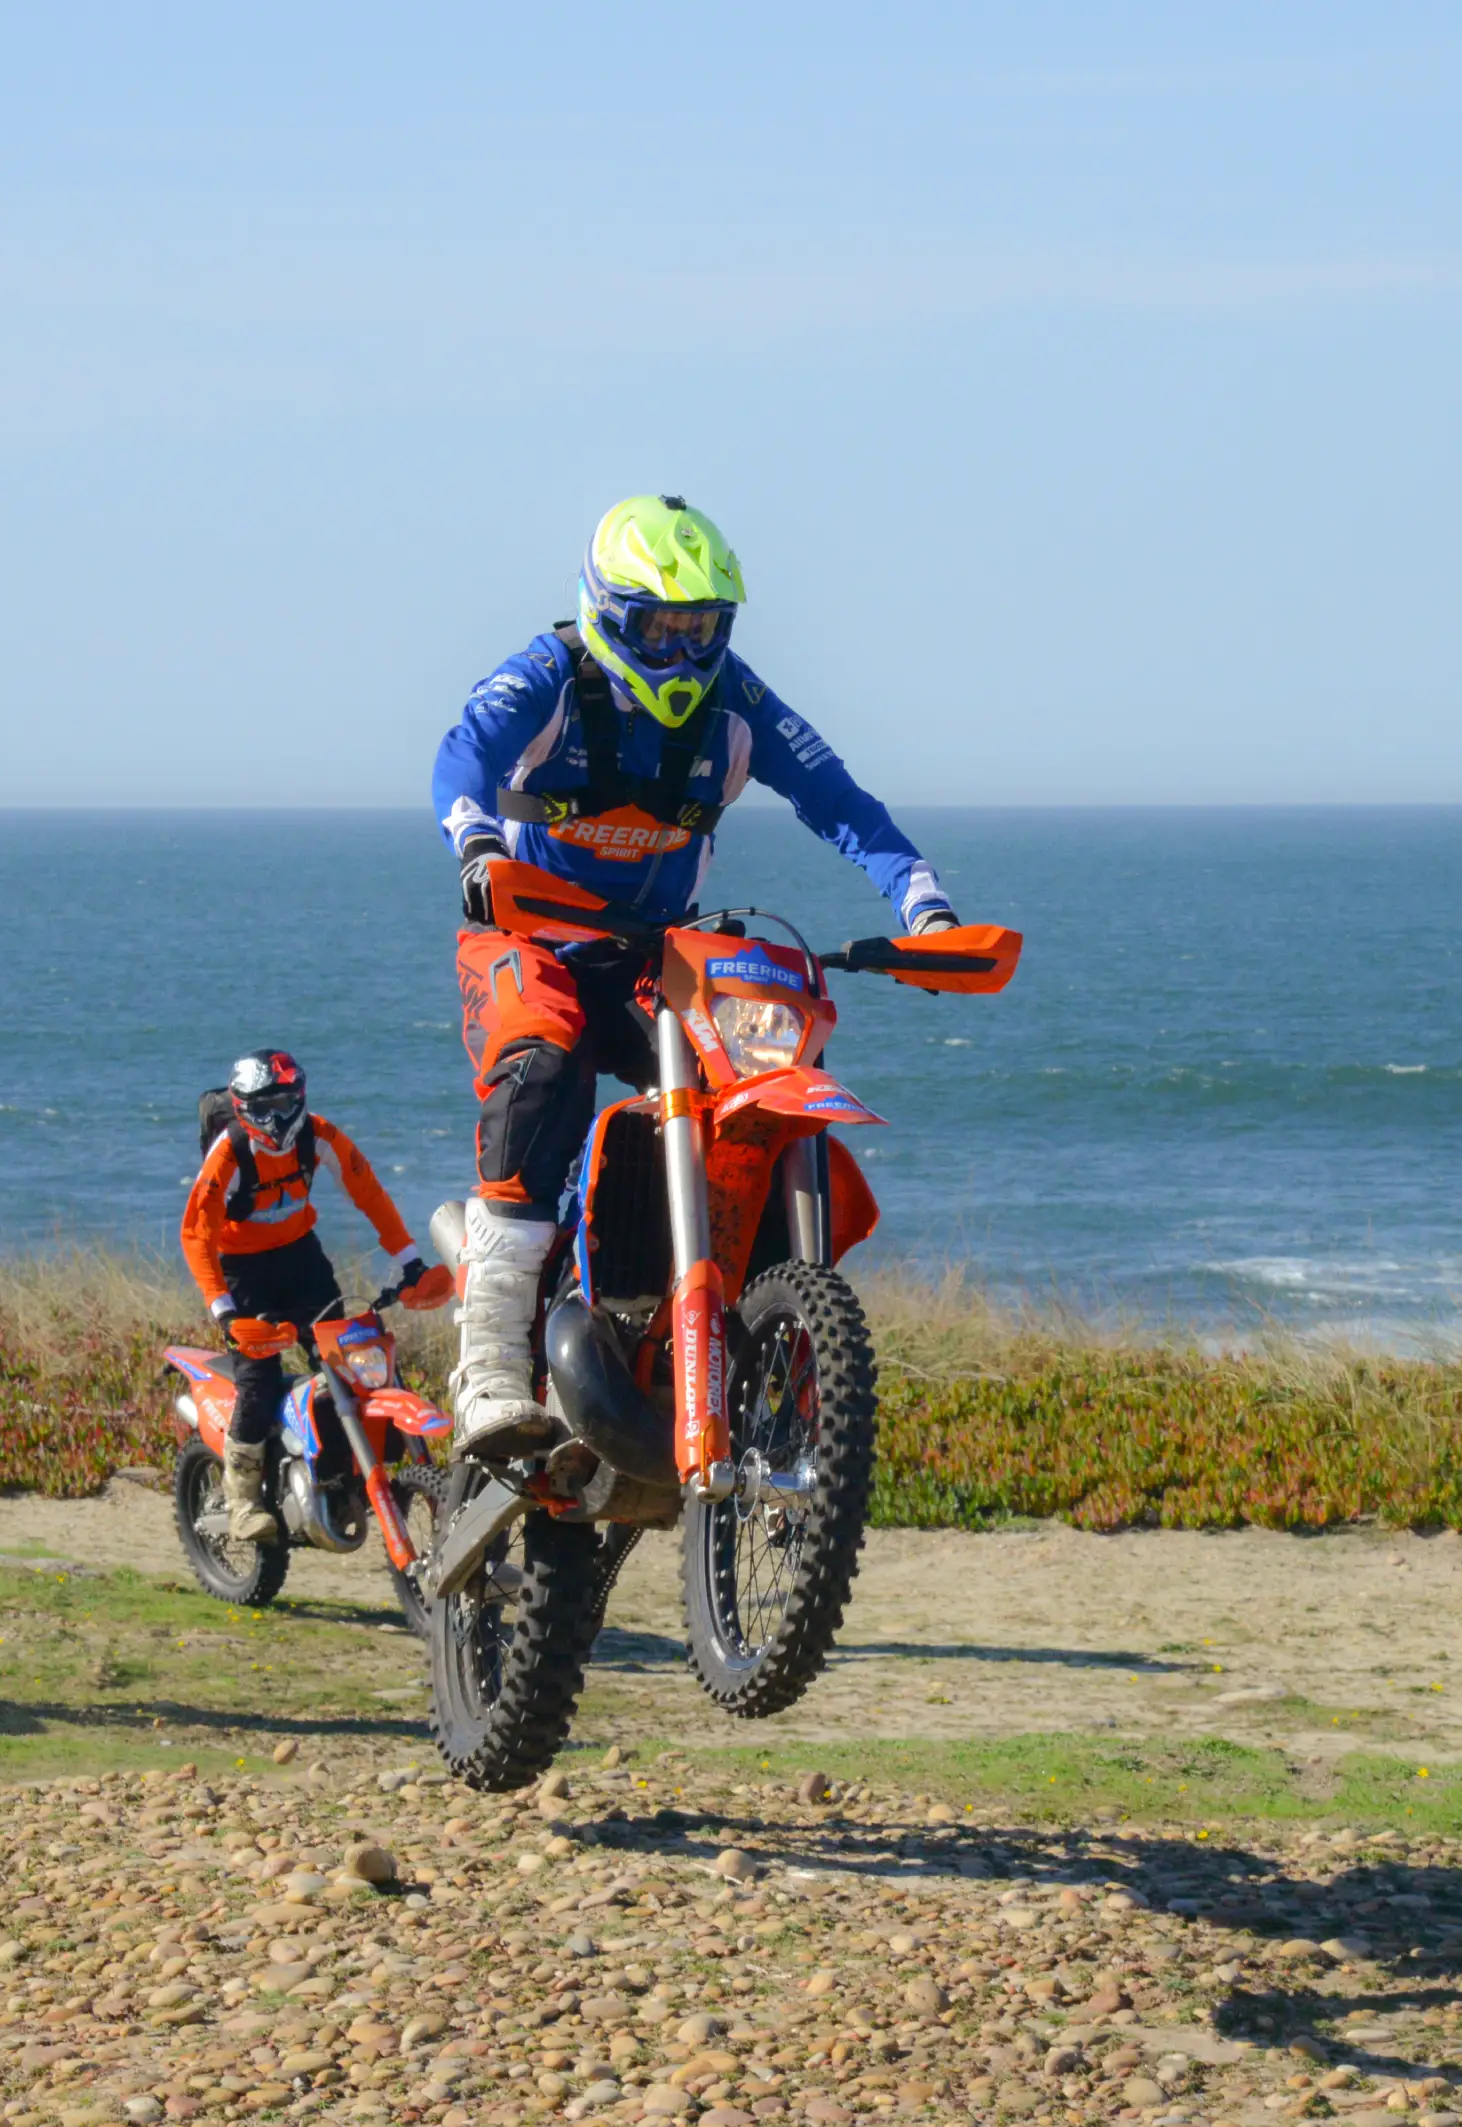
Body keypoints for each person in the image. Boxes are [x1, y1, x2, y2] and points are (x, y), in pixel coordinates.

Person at [428, 495, 956, 1451]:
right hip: (526, 934)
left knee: (747, 1084)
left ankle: (735, 1338)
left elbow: (842, 801)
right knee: (543, 1066)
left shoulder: (738, 704)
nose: (679, 651)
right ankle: (492, 1367)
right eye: (658, 627)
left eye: (699, 629)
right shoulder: (549, 676)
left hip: (651, 950)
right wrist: (473, 846)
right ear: (605, 610)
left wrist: (924, 908)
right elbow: (463, 753)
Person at [179, 1049, 431, 1540]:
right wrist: (224, 1313)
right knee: (258, 1379)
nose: (280, 1115)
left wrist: (411, 1261)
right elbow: (196, 1234)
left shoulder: (320, 1135)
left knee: (352, 1360)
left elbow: (369, 1193)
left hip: (302, 1259)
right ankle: (242, 1500)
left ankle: (346, 1474)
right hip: (243, 1274)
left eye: (289, 1100)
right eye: (267, 1105)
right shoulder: (229, 1153)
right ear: (245, 1107)